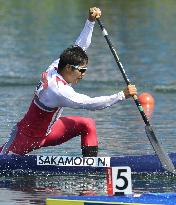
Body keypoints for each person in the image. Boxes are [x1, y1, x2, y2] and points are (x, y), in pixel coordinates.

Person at [0, 7, 137, 157]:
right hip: (25, 138)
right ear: (68, 68)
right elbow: (91, 104)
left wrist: (90, 22)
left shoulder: (56, 65)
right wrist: (121, 95)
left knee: (87, 124)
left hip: (49, 132)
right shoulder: (59, 91)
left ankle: (89, 169)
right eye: (82, 70)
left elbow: (80, 46)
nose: (83, 75)